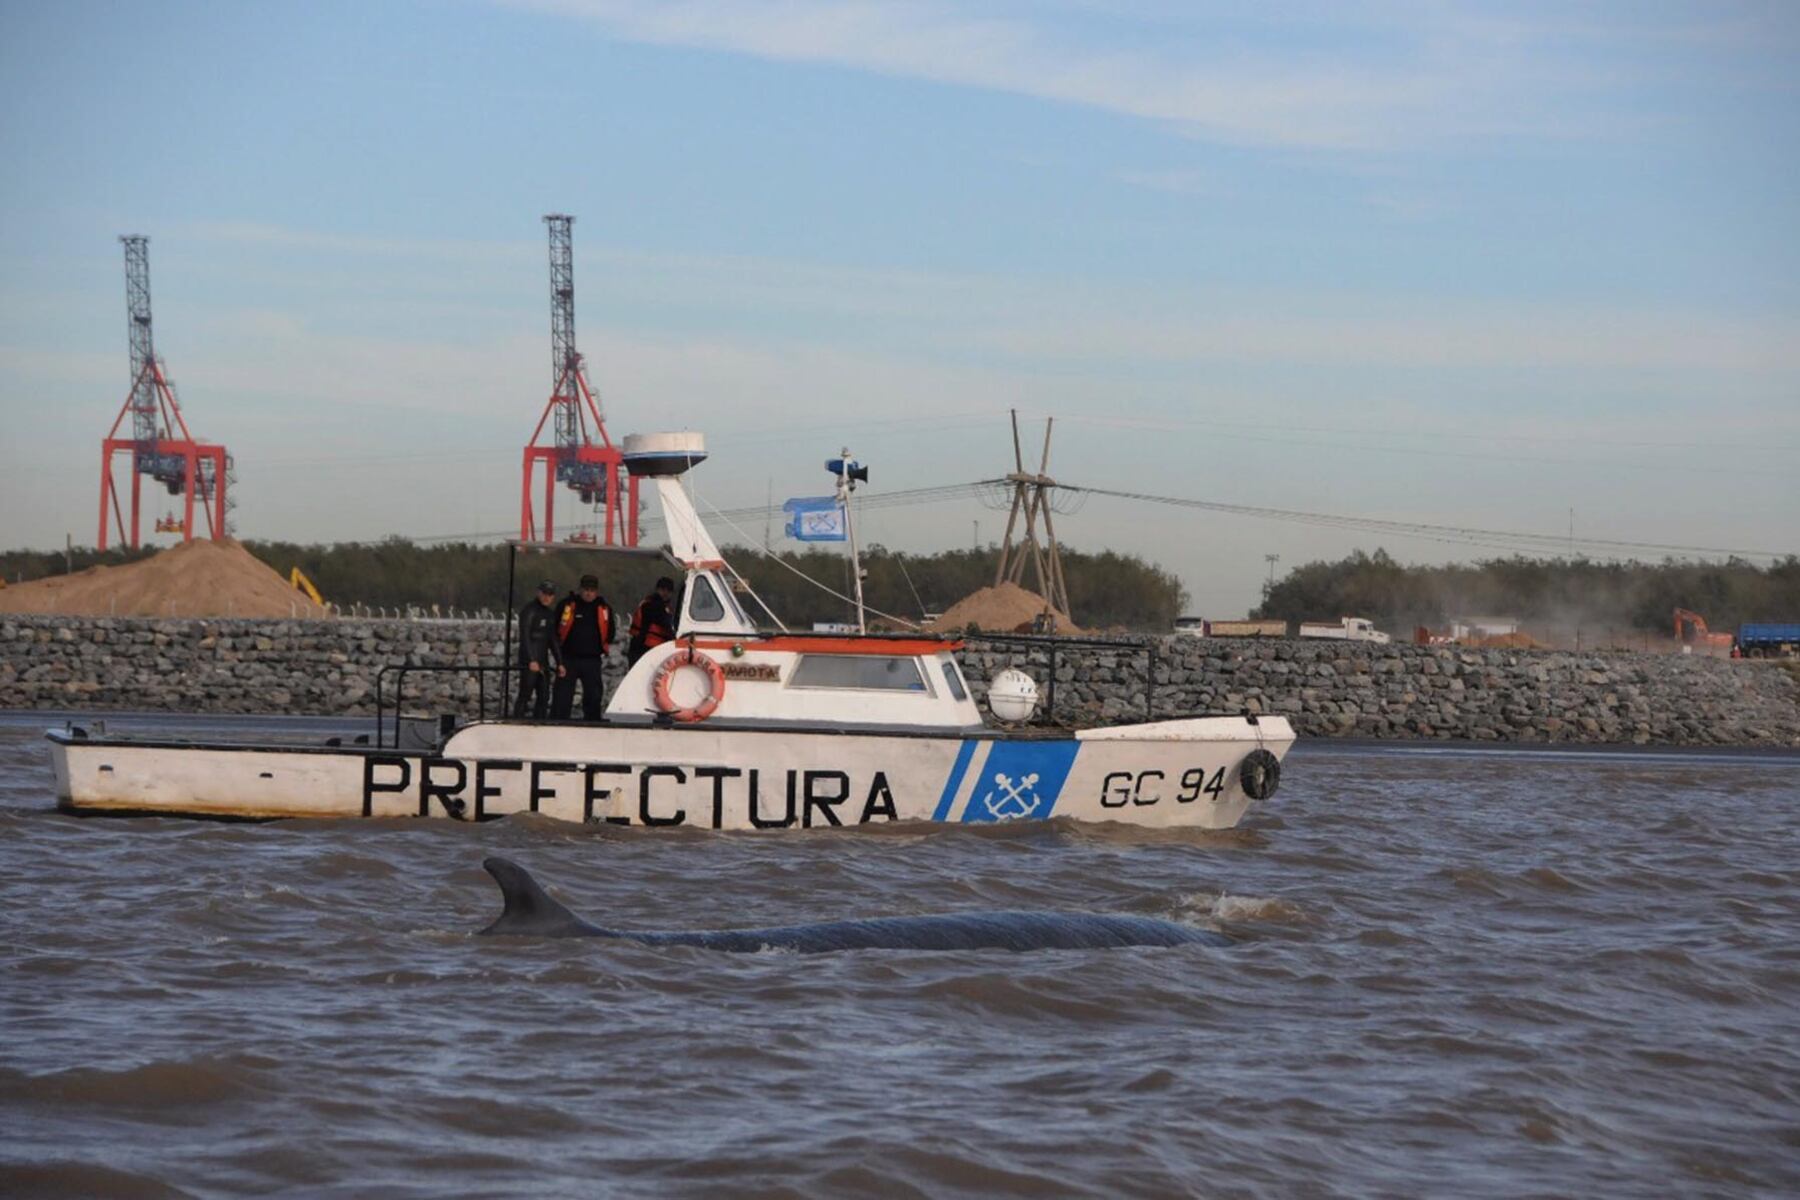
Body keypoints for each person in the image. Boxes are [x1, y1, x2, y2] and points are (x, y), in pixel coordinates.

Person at [552, 573, 615, 720]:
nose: (588, 593)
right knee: (563, 695)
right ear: (580, 589)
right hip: (568, 658)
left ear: (596, 591)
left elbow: (610, 631)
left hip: (592, 660)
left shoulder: (604, 608)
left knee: (593, 695)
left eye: (592, 590)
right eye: (586, 589)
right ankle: (558, 722)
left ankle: (592, 722)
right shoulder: (567, 605)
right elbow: (554, 628)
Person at [513, 580, 564, 720]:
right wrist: (531, 660)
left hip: (543, 662)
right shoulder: (529, 610)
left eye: (550, 595)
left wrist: (560, 662)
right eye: (544, 594)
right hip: (529, 661)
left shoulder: (550, 614)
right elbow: (525, 637)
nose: (547, 597)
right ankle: (517, 722)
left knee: (544, 696)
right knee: (525, 694)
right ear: (539, 593)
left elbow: (553, 639)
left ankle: (540, 724)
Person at [628, 575, 679, 666]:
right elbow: (667, 624)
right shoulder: (653, 605)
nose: (665, 593)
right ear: (657, 589)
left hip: (645, 648)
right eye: (663, 589)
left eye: (669, 590)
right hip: (644, 648)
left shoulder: (661, 606)